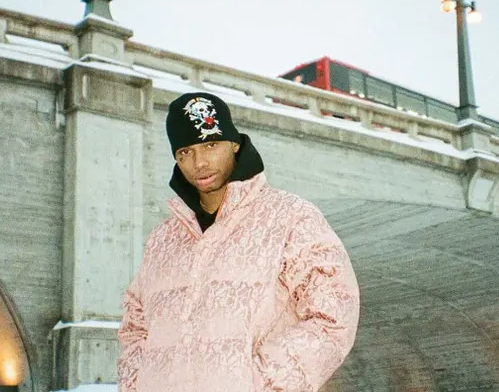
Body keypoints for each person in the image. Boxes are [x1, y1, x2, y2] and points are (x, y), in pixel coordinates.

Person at [117, 92, 360, 392]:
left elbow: (333, 316)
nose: (199, 162)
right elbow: (135, 327)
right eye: (185, 152)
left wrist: (260, 384)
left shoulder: (290, 218)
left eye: (210, 145)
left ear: (234, 143)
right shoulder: (162, 240)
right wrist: (137, 383)